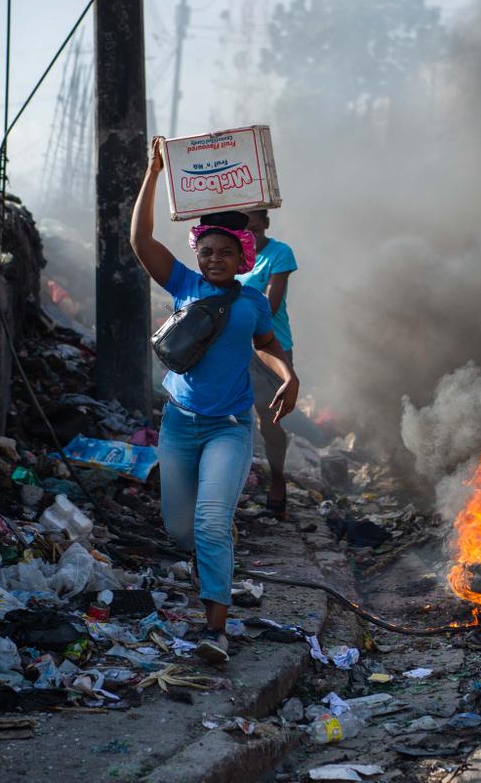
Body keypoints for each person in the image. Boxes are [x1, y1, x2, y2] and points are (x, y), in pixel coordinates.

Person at [130, 137, 299, 664]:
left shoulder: (251, 302)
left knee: (207, 523)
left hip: (229, 426)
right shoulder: (182, 285)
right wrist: (154, 172)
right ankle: (215, 538)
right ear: (197, 255)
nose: (216, 259)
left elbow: (266, 346)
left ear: (241, 256)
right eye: (208, 251)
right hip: (179, 425)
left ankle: (215, 630)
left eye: (226, 252)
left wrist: (288, 376)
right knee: (181, 528)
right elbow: (140, 239)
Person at [236, 209, 298, 519]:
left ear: (266, 225)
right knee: (230, 417)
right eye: (244, 230)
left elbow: (270, 306)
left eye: (256, 229)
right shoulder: (228, 251)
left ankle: (277, 479)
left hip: (272, 348)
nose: (250, 235)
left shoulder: (279, 253)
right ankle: (231, 486)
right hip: (235, 346)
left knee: (269, 420)